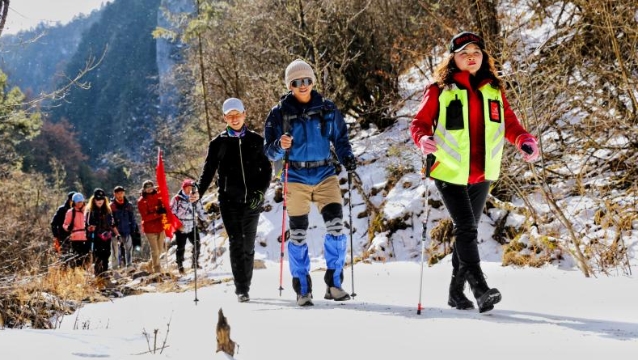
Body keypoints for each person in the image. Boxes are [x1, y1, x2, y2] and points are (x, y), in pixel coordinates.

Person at [410, 31, 540, 313]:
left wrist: (524, 140)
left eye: (476, 52)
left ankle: (456, 293)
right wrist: (422, 139)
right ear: (453, 59)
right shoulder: (439, 89)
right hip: (449, 170)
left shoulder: (493, 89)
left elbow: (509, 123)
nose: (471, 56)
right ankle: (480, 288)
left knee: (465, 233)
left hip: (482, 172)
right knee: (466, 228)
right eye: (464, 53)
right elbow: (418, 123)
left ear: (483, 57)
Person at [264, 59, 357, 306]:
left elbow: (341, 138)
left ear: (313, 81)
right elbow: (269, 152)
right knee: (297, 234)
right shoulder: (279, 113)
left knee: (336, 227)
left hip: (325, 174)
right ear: (290, 85)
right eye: (297, 82)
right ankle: (303, 289)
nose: (302, 85)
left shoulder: (327, 108)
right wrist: (278, 146)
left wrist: (346, 156)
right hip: (295, 177)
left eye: (306, 80)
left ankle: (334, 284)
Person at [197, 97, 272, 302]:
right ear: (224, 118)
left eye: (237, 114)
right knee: (235, 242)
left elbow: (266, 170)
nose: (234, 118)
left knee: (248, 244)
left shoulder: (257, 141)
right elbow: (208, 171)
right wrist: (198, 191)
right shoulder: (218, 144)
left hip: (252, 201)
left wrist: (260, 192)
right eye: (230, 116)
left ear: (244, 115)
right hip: (229, 203)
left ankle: (245, 282)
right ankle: (242, 288)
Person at [170, 179, 207, 274]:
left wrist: (204, 219)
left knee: (197, 243)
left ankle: (195, 263)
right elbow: (171, 213)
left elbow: (200, 209)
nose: (190, 189)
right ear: (184, 187)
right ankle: (180, 266)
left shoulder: (195, 197)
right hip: (181, 226)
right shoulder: (177, 199)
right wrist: (178, 225)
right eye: (188, 187)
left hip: (192, 225)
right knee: (181, 247)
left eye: (191, 187)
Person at [85, 188, 121, 278]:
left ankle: (104, 272)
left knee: (106, 254)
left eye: (101, 199)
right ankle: (98, 274)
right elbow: (87, 224)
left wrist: (117, 234)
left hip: (106, 237)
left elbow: (112, 224)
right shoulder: (90, 211)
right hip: (95, 237)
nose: (100, 201)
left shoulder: (108, 211)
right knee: (97, 256)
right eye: (97, 199)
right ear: (94, 200)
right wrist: (90, 227)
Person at [137, 180, 166, 274]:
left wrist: (164, 209)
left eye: (151, 187)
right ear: (144, 189)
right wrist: (158, 213)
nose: (149, 189)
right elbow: (145, 217)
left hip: (160, 226)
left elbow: (164, 204)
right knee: (155, 250)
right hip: (149, 228)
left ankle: (148, 265)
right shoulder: (141, 201)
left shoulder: (159, 195)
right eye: (147, 188)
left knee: (160, 249)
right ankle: (157, 269)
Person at [110, 185, 138, 269]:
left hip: (127, 230)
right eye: (118, 193)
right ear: (114, 194)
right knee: (115, 250)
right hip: (115, 232)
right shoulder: (111, 206)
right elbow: (109, 220)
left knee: (129, 248)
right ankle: (114, 267)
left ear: (124, 193)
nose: (120, 195)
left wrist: (133, 229)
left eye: (121, 193)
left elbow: (132, 218)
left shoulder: (128, 205)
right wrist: (113, 230)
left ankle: (129, 265)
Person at [62, 192, 90, 268]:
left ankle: (84, 271)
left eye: (81, 202)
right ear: (74, 202)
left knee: (86, 257)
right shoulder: (70, 212)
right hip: (75, 238)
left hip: (86, 237)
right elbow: (65, 224)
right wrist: (68, 228)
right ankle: (77, 272)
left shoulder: (87, 211)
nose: (79, 204)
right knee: (77, 257)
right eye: (77, 202)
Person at [50, 191, 75, 262]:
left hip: (76, 237)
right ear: (69, 200)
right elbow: (53, 223)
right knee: (64, 257)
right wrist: (56, 236)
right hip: (63, 237)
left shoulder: (79, 210)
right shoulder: (62, 210)